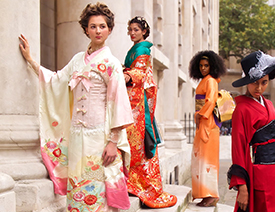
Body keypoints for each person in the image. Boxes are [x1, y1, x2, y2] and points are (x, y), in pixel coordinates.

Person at [19, 2, 134, 211]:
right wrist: (30, 60)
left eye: (102, 26)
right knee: (77, 191)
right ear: (85, 29)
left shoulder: (111, 63)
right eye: (93, 26)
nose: (97, 31)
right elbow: (55, 81)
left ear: (109, 29)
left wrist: (113, 142)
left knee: (97, 191)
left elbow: (119, 103)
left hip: (99, 138)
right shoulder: (76, 61)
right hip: (77, 136)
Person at [122, 16, 177, 208]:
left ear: (144, 31)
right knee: (132, 142)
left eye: (136, 29)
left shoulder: (143, 48)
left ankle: (141, 184)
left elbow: (138, 73)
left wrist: (126, 74)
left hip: (137, 101)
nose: (132, 33)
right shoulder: (136, 48)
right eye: (130, 30)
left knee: (137, 142)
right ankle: (134, 182)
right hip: (133, 98)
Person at [228, 51, 275, 212]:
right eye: (254, 83)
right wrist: (242, 187)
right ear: (247, 81)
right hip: (262, 172)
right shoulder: (241, 109)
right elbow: (239, 148)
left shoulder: (269, 104)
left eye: (264, 82)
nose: (259, 88)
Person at [189, 50, 227, 207]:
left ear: (212, 66)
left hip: (208, 123)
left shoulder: (211, 81)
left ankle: (210, 195)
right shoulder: (205, 80)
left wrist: (200, 114)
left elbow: (210, 101)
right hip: (203, 121)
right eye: (201, 66)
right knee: (200, 158)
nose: (203, 68)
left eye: (206, 65)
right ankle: (204, 193)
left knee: (208, 159)